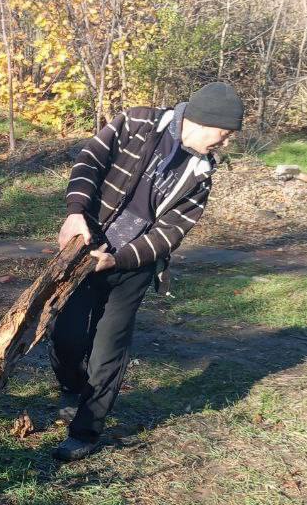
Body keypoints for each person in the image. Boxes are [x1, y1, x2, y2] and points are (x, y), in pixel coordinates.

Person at [50, 81, 244, 462]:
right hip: (84, 248)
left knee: (108, 350)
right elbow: (90, 160)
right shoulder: (136, 122)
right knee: (65, 335)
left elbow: (169, 233)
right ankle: (73, 390)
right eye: (222, 135)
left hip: (132, 266)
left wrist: (119, 261)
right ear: (201, 121)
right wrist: (75, 212)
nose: (223, 144)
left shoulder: (201, 173)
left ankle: (85, 430)